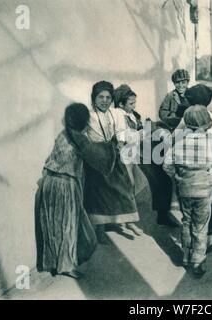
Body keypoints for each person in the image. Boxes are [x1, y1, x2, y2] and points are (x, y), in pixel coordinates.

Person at [164, 105, 212, 278]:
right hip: (204, 190)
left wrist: (178, 176)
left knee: (186, 221)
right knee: (201, 225)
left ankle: (185, 255)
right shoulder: (211, 144)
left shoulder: (179, 143)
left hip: (184, 189)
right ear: (206, 125)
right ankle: (197, 260)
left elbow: (167, 165)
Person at [34, 103, 97, 279]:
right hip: (65, 184)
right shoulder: (80, 140)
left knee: (52, 224)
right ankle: (66, 266)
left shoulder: (62, 135)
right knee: (68, 225)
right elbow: (96, 159)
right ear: (84, 121)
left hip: (49, 182)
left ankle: (53, 262)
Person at [84, 81, 143, 239]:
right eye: (100, 97)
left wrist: (121, 144)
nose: (104, 100)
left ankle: (129, 221)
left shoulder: (115, 113)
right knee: (99, 193)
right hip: (96, 157)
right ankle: (100, 229)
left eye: (108, 97)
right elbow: (83, 136)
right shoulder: (89, 115)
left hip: (113, 154)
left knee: (124, 187)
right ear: (93, 98)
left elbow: (120, 132)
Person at [177, 84, 212, 252]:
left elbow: (174, 139)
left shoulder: (186, 117)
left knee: (189, 208)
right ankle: (209, 236)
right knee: (210, 204)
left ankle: (192, 241)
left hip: (189, 171)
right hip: (210, 170)